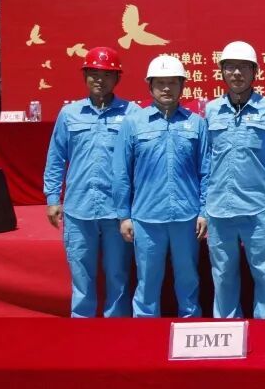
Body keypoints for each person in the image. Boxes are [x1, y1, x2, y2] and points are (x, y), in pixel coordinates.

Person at [43, 46, 137, 317]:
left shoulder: (132, 113)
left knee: (118, 275)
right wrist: (52, 198)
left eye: (107, 74)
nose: (100, 80)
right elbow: (56, 157)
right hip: (78, 209)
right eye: (94, 74)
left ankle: (116, 327)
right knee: (81, 277)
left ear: (117, 78)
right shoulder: (69, 114)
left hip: (117, 210)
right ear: (85, 76)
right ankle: (82, 326)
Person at [113, 54, 208, 318]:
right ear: (150, 86)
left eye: (173, 82)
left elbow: (206, 171)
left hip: (186, 218)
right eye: (160, 83)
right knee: (147, 283)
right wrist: (124, 216)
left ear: (183, 86)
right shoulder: (134, 123)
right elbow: (121, 172)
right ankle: (145, 333)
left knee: (188, 281)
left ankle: (190, 327)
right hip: (146, 218)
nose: (166, 88)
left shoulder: (196, 123)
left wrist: (203, 212)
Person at [203, 41, 265, 319]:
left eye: (243, 67)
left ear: (255, 72)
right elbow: (205, 161)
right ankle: (226, 329)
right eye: (230, 67)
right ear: (222, 72)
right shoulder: (211, 111)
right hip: (219, 209)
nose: (237, 73)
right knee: (222, 275)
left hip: (258, 208)